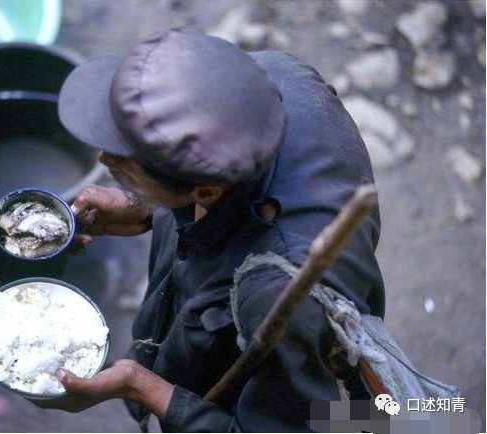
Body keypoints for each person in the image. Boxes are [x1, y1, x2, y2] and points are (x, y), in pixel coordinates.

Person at [51, 27, 385, 432]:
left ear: (204, 191)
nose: (103, 158)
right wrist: (145, 206)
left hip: (252, 369)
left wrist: (141, 387)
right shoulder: (271, 76)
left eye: (125, 161)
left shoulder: (279, 298)